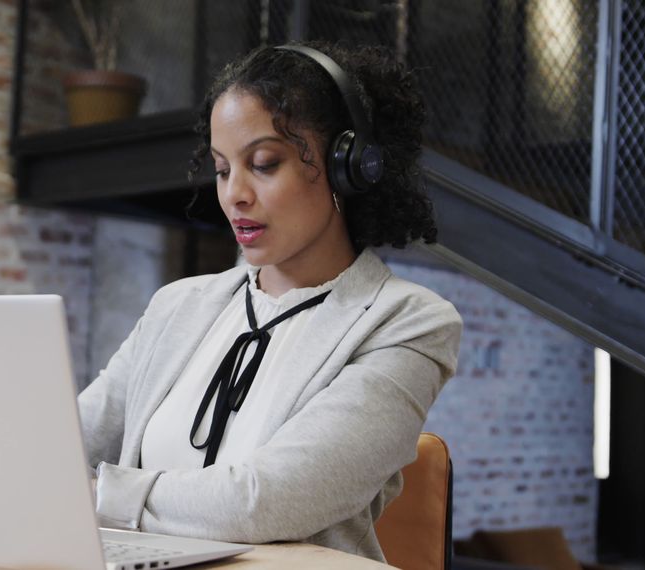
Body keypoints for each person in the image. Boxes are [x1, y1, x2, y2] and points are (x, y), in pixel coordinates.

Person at [77, 40, 463, 563]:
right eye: (221, 168)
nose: (234, 193)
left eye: (263, 163)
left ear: (347, 165)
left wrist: (101, 494)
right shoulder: (177, 306)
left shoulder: (407, 323)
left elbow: (267, 503)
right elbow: (66, 444)